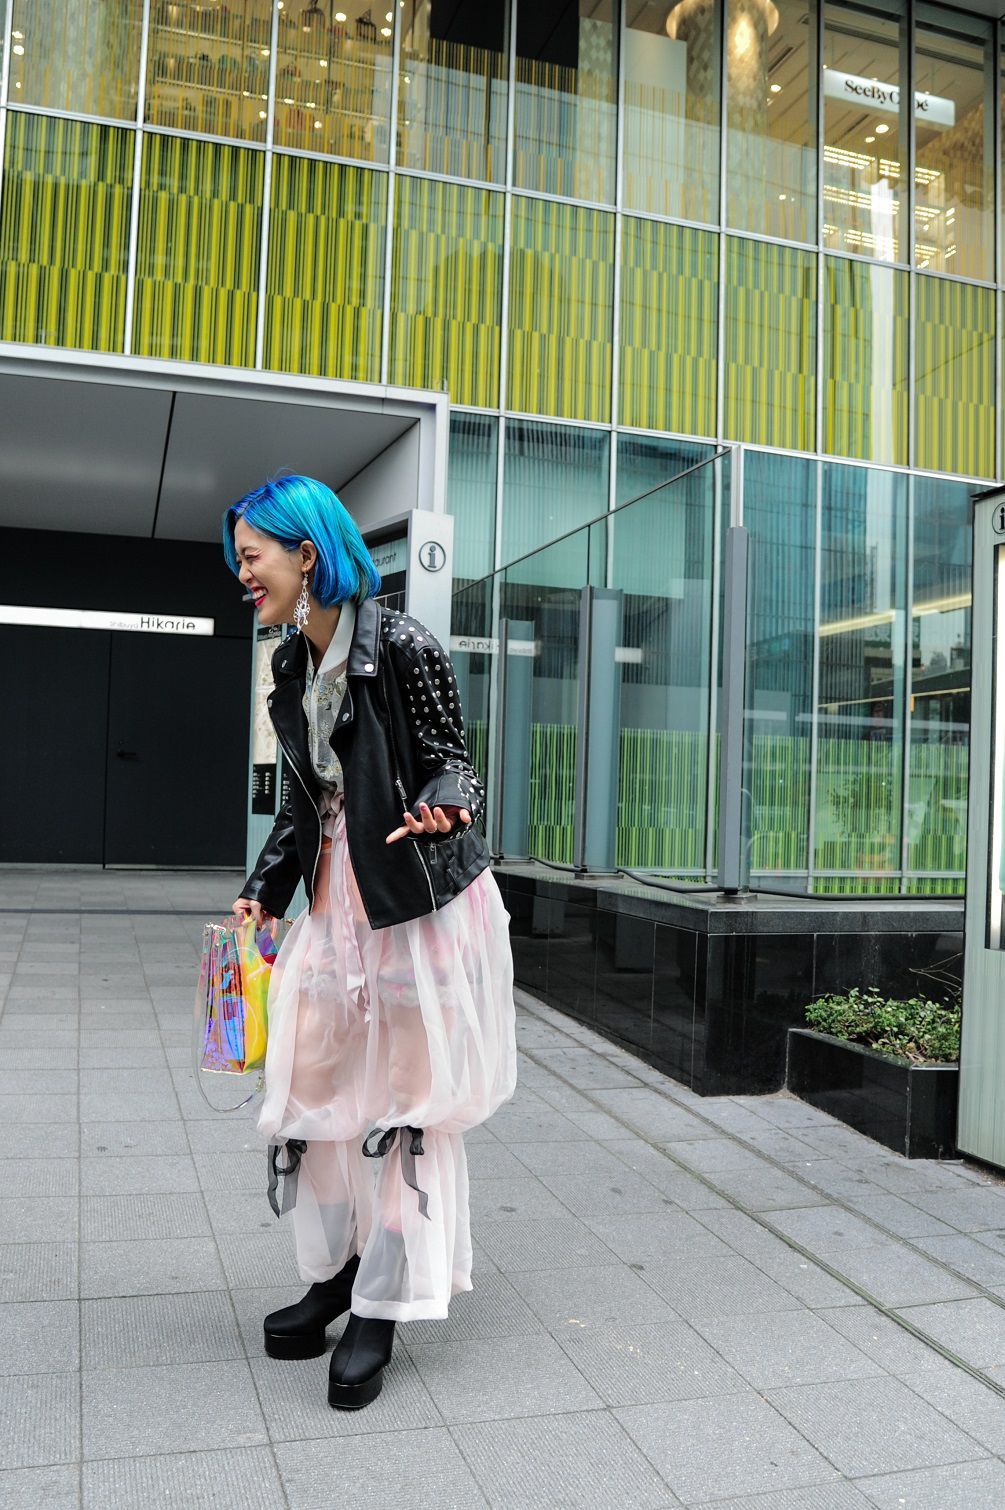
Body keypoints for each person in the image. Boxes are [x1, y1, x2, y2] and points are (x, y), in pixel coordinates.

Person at [224, 473, 516, 1410]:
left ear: (306, 554)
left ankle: (382, 1299)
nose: (243, 575)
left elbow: (454, 762)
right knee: (314, 1086)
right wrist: (262, 894)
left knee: (401, 1101)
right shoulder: (288, 663)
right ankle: (338, 1273)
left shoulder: (402, 644)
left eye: (252, 557)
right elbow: (302, 801)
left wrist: (445, 804)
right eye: (239, 560)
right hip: (333, 902)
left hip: (410, 900)